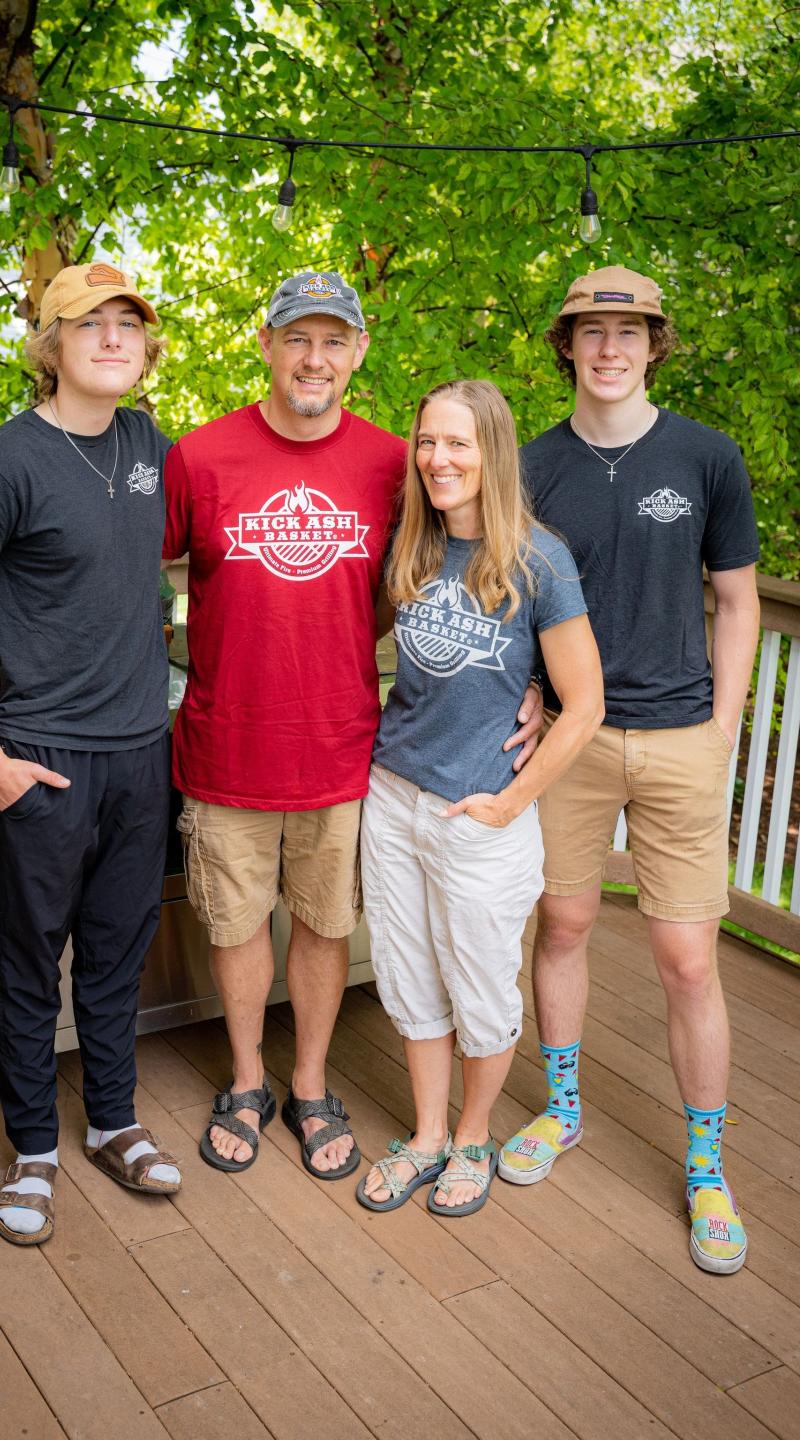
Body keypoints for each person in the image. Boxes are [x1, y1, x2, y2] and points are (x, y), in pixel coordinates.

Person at [161, 273, 545, 1179]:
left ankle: (308, 1084)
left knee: (326, 926)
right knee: (235, 925)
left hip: (342, 749)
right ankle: (247, 1080)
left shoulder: (391, 464)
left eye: (334, 341)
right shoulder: (200, 457)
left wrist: (539, 685)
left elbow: (474, 565)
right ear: (266, 344)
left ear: (359, 354)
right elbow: (113, 566)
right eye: (298, 339)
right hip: (227, 742)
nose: (315, 358)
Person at [0, 262, 182, 1246]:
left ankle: (112, 1123)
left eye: (127, 324)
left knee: (116, 953)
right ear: (50, 347)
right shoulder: (3, 465)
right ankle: (31, 1152)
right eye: (87, 324)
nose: (111, 338)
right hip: (41, 759)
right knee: (30, 962)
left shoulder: (150, 446)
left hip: (141, 753)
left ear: (145, 347)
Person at [499, 266, 761, 1275]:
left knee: (689, 961)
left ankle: (707, 1165)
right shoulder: (529, 468)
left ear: (657, 344)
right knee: (561, 924)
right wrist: (525, 682)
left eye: (629, 331)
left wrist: (724, 729)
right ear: (565, 345)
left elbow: (735, 601)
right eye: (591, 331)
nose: (609, 347)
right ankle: (562, 1110)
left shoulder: (707, 457)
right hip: (569, 739)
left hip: (683, 739)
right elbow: (507, 593)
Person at [356, 379, 603, 1216]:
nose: (438, 458)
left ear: (492, 451)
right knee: (408, 974)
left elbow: (586, 704)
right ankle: (426, 1138)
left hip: (480, 816)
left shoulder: (539, 559)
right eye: (427, 441)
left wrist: (509, 802)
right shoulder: (414, 549)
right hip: (393, 796)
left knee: (481, 988)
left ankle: (472, 1137)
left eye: (458, 443)